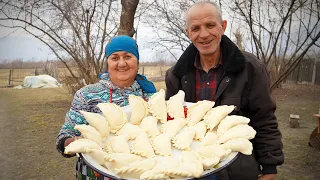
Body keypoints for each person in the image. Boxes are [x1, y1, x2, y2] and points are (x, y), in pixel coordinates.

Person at [165, 1, 284, 180]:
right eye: (196, 28)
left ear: (223, 26)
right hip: (190, 168)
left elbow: (264, 118)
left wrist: (269, 167)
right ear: (188, 32)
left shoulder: (250, 68)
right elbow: (171, 123)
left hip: (236, 169)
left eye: (210, 25)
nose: (204, 34)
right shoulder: (176, 75)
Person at [56, 35, 156, 179]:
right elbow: (63, 137)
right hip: (95, 174)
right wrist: (76, 143)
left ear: (137, 63)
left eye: (128, 56)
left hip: (139, 173)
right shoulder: (87, 95)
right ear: (108, 63)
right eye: (115, 58)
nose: (122, 63)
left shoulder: (150, 96)